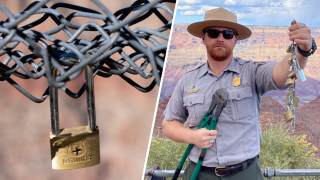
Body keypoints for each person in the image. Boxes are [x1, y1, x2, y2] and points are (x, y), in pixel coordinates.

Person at [162, 7, 316, 180]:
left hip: (245, 174)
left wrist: (303, 50)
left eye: (227, 34)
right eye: (213, 33)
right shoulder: (187, 80)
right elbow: (168, 124)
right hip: (199, 173)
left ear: (235, 40)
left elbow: (282, 72)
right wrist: (193, 137)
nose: (220, 39)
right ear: (203, 38)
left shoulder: (252, 72)